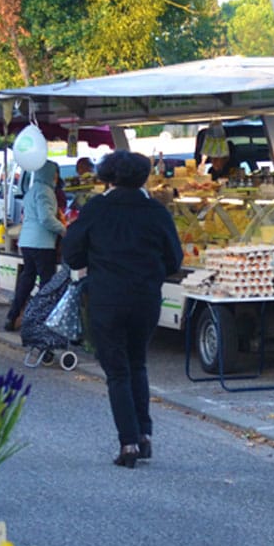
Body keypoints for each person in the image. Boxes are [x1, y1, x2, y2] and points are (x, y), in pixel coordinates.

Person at [62, 151, 182, 468]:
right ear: (143, 177)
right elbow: (175, 260)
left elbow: (72, 254)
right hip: (145, 298)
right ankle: (144, 435)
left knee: (117, 372)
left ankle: (128, 442)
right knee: (137, 363)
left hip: (107, 298)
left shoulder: (96, 209)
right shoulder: (156, 212)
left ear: (108, 178)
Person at [5, 160, 65, 332]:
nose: (56, 177)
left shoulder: (32, 190)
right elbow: (45, 218)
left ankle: (13, 315)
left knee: (27, 279)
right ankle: (43, 319)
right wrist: (63, 230)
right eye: (54, 173)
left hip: (27, 241)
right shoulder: (46, 192)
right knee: (47, 283)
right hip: (42, 242)